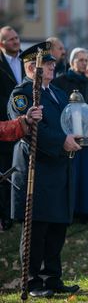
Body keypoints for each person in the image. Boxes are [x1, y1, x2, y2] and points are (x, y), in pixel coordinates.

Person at [8, 41, 84, 298]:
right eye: (48, 64)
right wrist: (60, 141)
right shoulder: (22, 94)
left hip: (60, 167)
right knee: (37, 227)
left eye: (53, 63)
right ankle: (32, 281)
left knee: (56, 226)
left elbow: (69, 121)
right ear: (32, 67)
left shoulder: (58, 93)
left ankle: (52, 277)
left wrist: (83, 132)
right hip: (36, 167)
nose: (53, 67)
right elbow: (28, 130)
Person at [53, 47, 88, 217]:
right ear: (71, 62)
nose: (84, 63)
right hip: (67, 137)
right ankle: (69, 209)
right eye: (80, 60)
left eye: (85, 60)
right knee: (69, 175)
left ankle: (86, 210)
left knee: (87, 175)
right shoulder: (59, 82)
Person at [0, 26, 24, 231]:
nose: (16, 42)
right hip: (5, 125)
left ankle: (22, 211)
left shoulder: (27, 61)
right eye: (11, 39)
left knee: (23, 169)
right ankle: (5, 215)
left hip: (26, 124)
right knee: (6, 171)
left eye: (17, 38)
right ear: (2, 44)